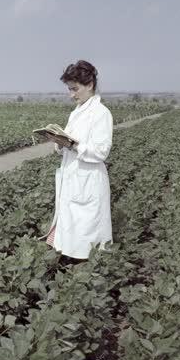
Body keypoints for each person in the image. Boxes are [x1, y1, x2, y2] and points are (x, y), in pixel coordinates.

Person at [43, 60, 113, 261]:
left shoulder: (100, 113)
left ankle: (86, 276)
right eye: (69, 89)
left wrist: (72, 145)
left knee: (87, 240)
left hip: (88, 182)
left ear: (89, 85)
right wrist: (58, 142)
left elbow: (101, 152)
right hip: (73, 179)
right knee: (72, 237)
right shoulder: (77, 112)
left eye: (75, 89)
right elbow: (69, 142)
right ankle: (72, 271)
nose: (71, 95)